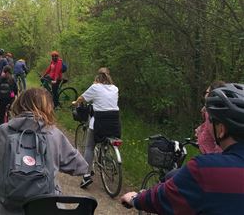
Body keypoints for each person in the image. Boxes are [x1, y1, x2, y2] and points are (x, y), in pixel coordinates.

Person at [121, 83, 244, 214]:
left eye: (210, 120)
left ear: (221, 130)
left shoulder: (205, 169)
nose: (206, 125)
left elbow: (163, 198)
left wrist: (135, 199)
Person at [0, 87, 88, 215]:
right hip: (47, 209)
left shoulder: (3, 131)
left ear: (19, 104)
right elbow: (81, 167)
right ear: (47, 107)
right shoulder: (54, 134)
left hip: (7, 209)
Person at [72, 67, 120, 188]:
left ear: (97, 77)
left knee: (89, 147)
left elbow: (82, 99)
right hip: (115, 123)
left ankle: (86, 176)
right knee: (104, 139)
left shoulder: (95, 87)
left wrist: (75, 103)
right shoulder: (115, 88)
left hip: (99, 122)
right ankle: (105, 157)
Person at [195, 80, 225, 154]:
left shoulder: (211, 113)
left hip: (213, 156)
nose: (205, 95)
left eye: (206, 92)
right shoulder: (216, 110)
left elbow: (217, 139)